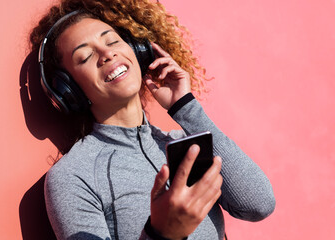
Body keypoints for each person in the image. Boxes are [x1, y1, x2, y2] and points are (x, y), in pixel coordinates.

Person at [29, 0, 276, 239]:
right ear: (70, 91)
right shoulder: (74, 175)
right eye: (84, 57)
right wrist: (162, 234)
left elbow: (258, 204)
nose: (107, 54)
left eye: (113, 41)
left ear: (137, 51)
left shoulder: (184, 145)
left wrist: (186, 107)